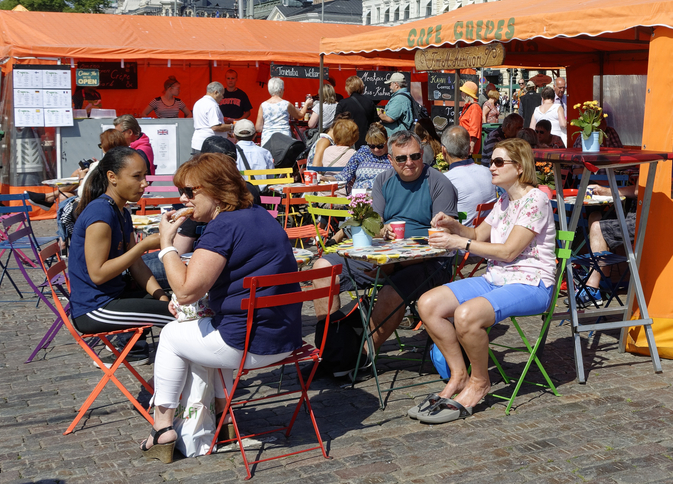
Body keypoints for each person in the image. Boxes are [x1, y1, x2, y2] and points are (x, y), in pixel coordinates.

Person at [138, 153, 302, 462]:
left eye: (190, 191)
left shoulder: (222, 228)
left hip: (250, 345)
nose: (183, 198)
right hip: (286, 337)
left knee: (173, 335)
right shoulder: (261, 214)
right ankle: (223, 419)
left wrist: (166, 245)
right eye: (181, 192)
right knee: (205, 327)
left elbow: (186, 292)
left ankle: (162, 429)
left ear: (215, 189)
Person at [413, 138, 556, 423]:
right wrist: (454, 226)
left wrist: (456, 242)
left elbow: (509, 251)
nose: (491, 166)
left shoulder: (535, 199)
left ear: (519, 167)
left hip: (531, 282)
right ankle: (458, 375)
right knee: (427, 304)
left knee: (467, 315)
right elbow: (478, 236)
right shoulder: (504, 199)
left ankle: (480, 383)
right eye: (491, 161)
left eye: (498, 162)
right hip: (498, 277)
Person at [307, 129, 458, 352]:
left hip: (428, 262)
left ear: (422, 154)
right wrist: (379, 230)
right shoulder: (383, 180)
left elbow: (444, 239)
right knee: (322, 269)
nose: (410, 162)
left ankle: (362, 356)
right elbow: (374, 220)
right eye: (401, 158)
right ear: (390, 159)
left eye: (415, 156)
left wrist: (394, 264)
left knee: (391, 290)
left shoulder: (439, 183)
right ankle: (331, 346)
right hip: (383, 255)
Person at [66, 147, 174, 334]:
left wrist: (162, 298)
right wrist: (143, 246)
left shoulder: (121, 211)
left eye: (145, 177)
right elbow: (98, 274)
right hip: (95, 309)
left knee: (179, 306)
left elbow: (137, 266)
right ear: (112, 177)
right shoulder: (100, 213)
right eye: (136, 177)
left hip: (115, 296)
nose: (144, 184)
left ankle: (137, 353)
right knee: (180, 318)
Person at [441, 126, 495, 220]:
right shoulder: (489, 172)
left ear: (443, 150)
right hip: (488, 230)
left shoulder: (445, 180)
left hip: (460, 231)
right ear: (470, 148)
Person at [339, 123, 394, 191]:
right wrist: (327, 178)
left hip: (382, 198)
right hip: (358, 197)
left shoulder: (394, 155)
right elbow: (346, 174)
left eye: (380, 146)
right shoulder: (363, 152)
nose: (376, 149)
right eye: (372, 146)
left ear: (387, 140)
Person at [335, 75, 379, 146]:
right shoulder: (369, 102)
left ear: (348, 88)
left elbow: (336, 122)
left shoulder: (343, 103)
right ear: (361, 87)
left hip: (348, 140)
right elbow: (375, 121)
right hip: (366, 140)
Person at [254, 77, 302, 142]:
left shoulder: (263, 105)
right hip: (284, 139)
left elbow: (258, 128)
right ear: (280, 90)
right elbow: (299, 115)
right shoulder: (286, 104)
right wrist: (306, 105)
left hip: (267, 139)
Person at [190, 82, 232, 155]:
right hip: (210, 145)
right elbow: (215, 127)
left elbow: (206, 121)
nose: (223, 97)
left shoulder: (198, 102)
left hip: (197, 142)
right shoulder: (212, 105)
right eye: (222, 94)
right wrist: (233, 126)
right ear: (216, 92)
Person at [457, 81, 483, 154]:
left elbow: (475, 128)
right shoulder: (468, 106)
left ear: (466, 93)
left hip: (467, 146)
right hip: (463, 144)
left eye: (462, 91)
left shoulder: (475, 107)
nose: (461, 92)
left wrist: (471, 145)